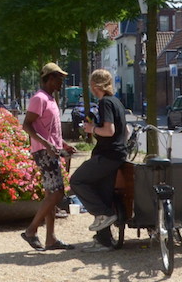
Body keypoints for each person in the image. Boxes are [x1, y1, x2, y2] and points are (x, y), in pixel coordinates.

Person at [20, 62, 76, 251]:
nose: (62, 82)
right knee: (57, 192)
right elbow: (27, 125)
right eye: (59, 78)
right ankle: (30, 231)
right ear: (50, 78)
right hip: (44, 152)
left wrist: (63, 145)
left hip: (51, 150)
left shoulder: (50, 99)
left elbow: (50, 129)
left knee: (51, 194)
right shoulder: (40, 98)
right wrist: (46, 144)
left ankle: (50, 239)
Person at [70, 68, 127, 249]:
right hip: (117, 154)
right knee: (103, 194)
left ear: (95, 85)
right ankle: (104, 239)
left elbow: (109, 131)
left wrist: (91, 129)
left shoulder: (105, 103)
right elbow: (124, 131)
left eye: (91, 84)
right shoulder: (117, 102)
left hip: (107, 155)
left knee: (77, 181)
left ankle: (103, 213)